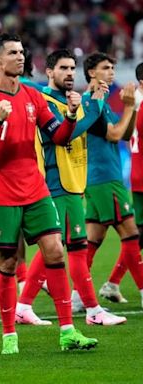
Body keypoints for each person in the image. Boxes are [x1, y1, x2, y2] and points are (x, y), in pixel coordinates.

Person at [0, 33, 98, 354]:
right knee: (8, 261)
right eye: (13, 53)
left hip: (36, 188)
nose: (20, 57)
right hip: (1, 192)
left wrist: (70, 116)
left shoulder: (32, 96)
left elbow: (57, 135)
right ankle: (9, 334)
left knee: (56, 250)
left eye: (22, 52)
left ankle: (68, 331)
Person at [14, 49, 126, 326]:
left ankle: (25, 305)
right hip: (57, 182)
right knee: (69, 247)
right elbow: (65, 135)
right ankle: (92, 311)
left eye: (72, 68)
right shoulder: (45, 100)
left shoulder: (70, 100)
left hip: (74, 180)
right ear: (49, 71)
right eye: (63, 68)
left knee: (66, 247)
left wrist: (89, 104)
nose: (69, 74)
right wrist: (95, 106)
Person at [81, 52, 143, 307]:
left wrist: (132, 108)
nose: (112, 72)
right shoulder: (90, 103)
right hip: (104, 177)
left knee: (92, 242)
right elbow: (115, 135)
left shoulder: (101, 102)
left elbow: (125, 133)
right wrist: (130, 107)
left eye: (113, 67)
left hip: (100, 178)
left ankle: (76, 296)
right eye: (106, 68)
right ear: (92, 73)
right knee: (131, 235)